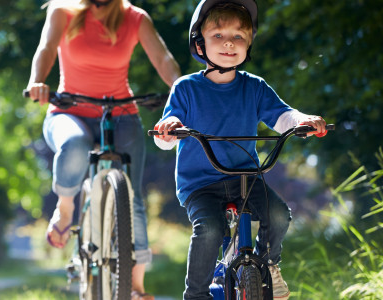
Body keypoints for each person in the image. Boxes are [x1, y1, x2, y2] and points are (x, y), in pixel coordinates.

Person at [151, 1, 327, 299]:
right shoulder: (186, 88)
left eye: (239, 37)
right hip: (201, 183)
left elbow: (282, 116)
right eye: (218, 35)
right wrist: (169, 129)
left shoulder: (254, 87)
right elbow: (165, 132)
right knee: (208, 230)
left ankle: (268, 264)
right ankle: (196, 294)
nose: (229, 43)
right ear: (200, 43)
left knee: (279, 215)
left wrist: (302, 121)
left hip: (246, 177)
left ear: (248, 45)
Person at [25, 0, 180, 298]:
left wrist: (179, 87)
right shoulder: (63, 11)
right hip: (69, 110)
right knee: (74, 144)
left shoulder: (135, 18)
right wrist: (37, 81)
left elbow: (163, 59)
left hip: (120, 111)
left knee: (132, 197)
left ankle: (135, 286)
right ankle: (66, 206)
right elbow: (45, 48)